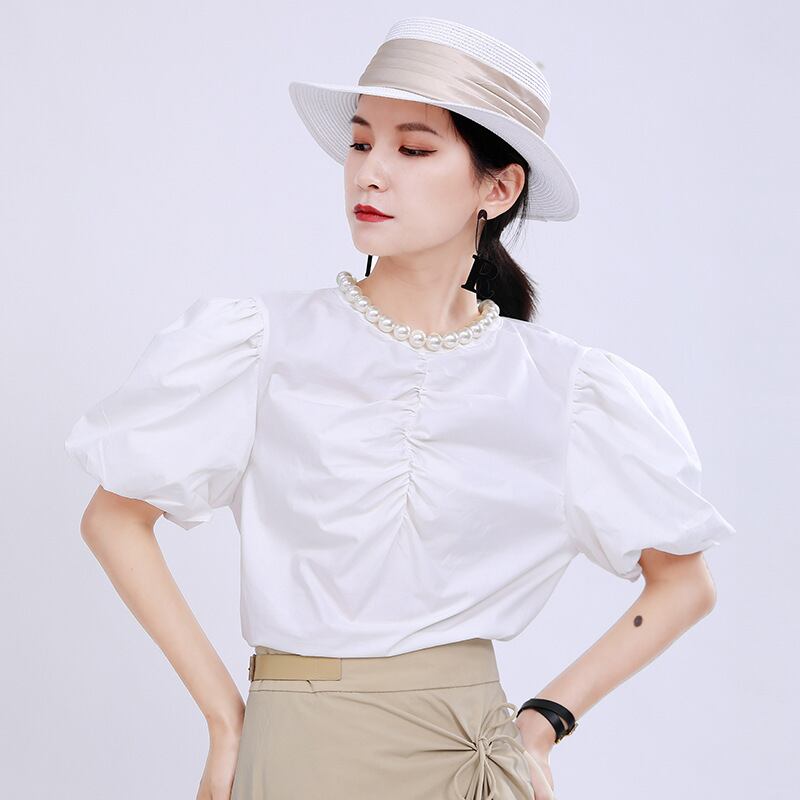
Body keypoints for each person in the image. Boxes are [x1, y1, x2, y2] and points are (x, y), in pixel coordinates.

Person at [64, 15, 736, 800]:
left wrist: (544, 722)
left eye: (413, 150)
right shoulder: (264, 343)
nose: (369, 173)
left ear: (498, 188)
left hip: (470, 759)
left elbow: (684, 582)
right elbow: (114, 518)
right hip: (302, 752)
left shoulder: (562, 386)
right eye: (360, 143)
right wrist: (224, 721)